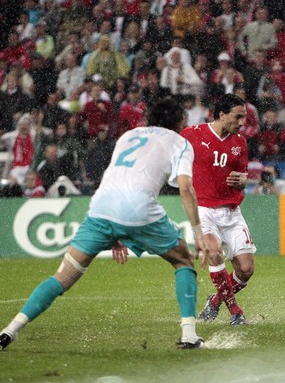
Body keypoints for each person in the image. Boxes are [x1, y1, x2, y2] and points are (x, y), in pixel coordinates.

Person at [0, 97, 208, 351]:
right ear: (180, 121)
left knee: (62, 277)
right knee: (183, 260)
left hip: (101, 207)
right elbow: (185, 187)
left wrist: (116, 234)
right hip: (139, 208)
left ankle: (10, 330)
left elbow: (117, 176)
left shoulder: (129, 136)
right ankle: (189, 335)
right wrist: (199, 233)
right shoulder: (180, 142)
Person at [180, 94, 254, 325]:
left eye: (243, 117)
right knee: (213, 252)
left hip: (231, 212)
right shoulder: (192, 135)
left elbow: (244, 175)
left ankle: (214, 302)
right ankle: (235, 311)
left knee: (245, 270)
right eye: (238, 117)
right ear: (221, 114)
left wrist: (242, 181)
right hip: (203, 209)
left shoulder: (239, 143)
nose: (241, 122)